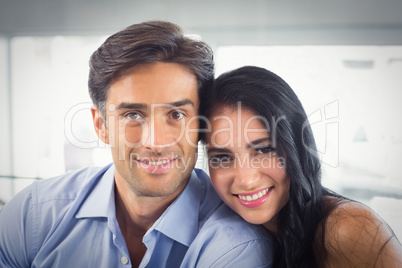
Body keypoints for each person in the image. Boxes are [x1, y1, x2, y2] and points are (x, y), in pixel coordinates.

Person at [0, 22, 273, 267]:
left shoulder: (236, 247)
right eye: (132, 115)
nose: (156, 142)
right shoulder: (31, 216)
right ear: (101, 125)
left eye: (176, 115)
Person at [200, 65, 402, 267]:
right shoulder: (224, 239)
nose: (246, 180)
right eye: (222, 157)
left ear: (297, 146)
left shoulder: (345, 228)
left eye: (263, 150)